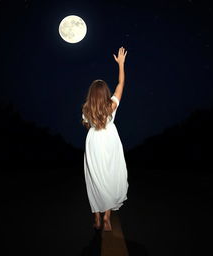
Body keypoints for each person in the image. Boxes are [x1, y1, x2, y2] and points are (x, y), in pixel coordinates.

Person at [81, 47, 129, 231]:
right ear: (105, 93)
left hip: (94, 142)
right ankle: (107, 217)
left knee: (95, 178)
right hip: (110, 140)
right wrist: (121, 64)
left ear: (92, 95)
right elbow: (121, 83)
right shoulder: (111, 106)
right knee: (109, 176)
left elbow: (87, 124)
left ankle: (97, 218)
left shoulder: (86, 109)